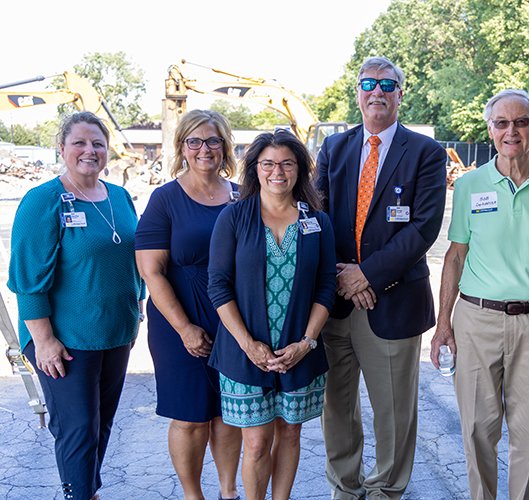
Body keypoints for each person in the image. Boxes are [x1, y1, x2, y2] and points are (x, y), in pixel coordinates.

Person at [430, 89, 529, 500]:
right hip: (476, 320)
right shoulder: (469, 186)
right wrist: (443, 323)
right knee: (478, 428)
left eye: (520, 122)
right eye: (502, 123)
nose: (511, 131)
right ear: (490, 130)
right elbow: (455, 255)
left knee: (527, 433)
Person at [315, 56, 447, 499]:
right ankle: (345, 486)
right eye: (368, 84)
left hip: (391, 302)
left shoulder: (426, 153)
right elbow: (317, 216)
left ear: (399, 94)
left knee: (393, 411)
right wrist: (342, 277)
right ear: (357, 93)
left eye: (386, 85)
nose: (377, 92)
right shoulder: (334, 149)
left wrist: (366, 276)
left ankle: (387, 489)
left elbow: (423, 228)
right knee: (336, 406)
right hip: (334, 302)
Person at [7, 111, 145, 500]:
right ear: (62, 149)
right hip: (64, 340)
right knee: (77, 426)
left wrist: (139, 305)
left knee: (100, 424)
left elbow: (133, 258)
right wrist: (44, 339)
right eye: (80, 143)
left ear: (108, 150)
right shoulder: (43, 201)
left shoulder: (118, 196)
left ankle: (88, 490)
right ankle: (78, 493)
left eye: (98, 143)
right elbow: (26, 279)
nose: (90, 150)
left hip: (115, 333)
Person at [207, 130, 336, 500]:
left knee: (290, 432)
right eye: (268, 163)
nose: (277, 171)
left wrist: (307, 342)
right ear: (255, 169)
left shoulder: (317, 222)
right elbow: (218, 285)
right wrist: (249, 345)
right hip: (245, 353)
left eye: (286, 163)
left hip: (299, 350)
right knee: (258, 441)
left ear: (300, 169)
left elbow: (326, 285)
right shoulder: (233, 218)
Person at [135, 109, 241, 500]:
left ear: (225, 146)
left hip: (233, 321)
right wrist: (184, 328)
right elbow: (151, 271)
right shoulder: (164, 199)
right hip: (179, 321)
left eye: (213, 140)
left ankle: (229, 493)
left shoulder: (242, 195)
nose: (204, 149)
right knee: (191, 416)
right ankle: (192, 495)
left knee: (229, 412)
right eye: (194, 141)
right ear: (181, 147)